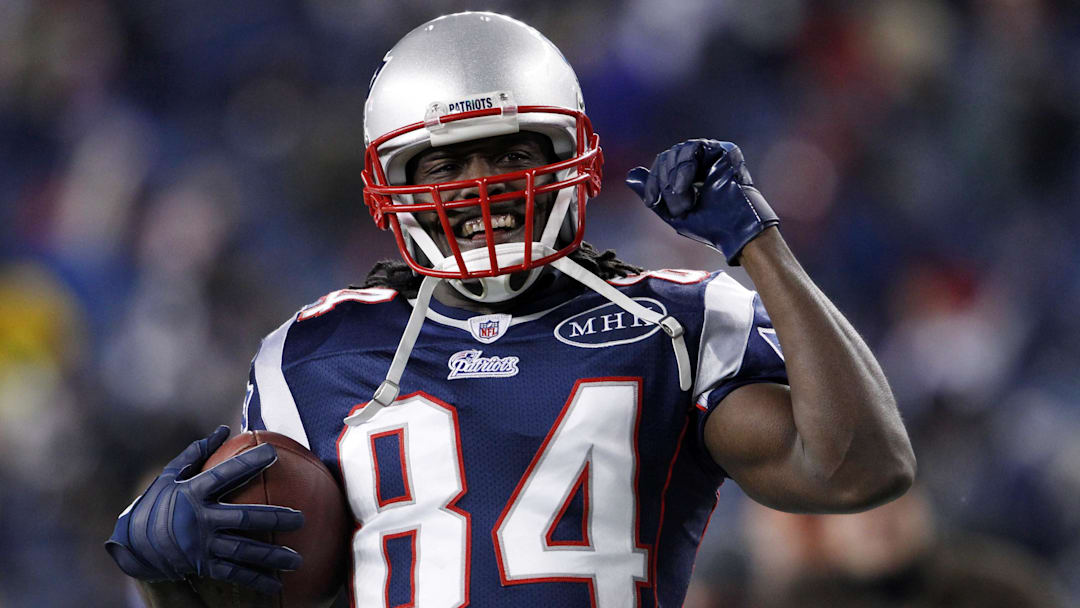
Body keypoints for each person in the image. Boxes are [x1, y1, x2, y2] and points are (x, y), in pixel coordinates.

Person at [105, 11, 916, 607]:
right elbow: (270, 589)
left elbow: (857, 467)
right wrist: (168, 578)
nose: (485, 184)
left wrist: (759, 245)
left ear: (571, 157)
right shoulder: (313, 352)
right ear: (395, 191)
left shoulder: (679, 321)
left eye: (512, 153)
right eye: (448, 165)